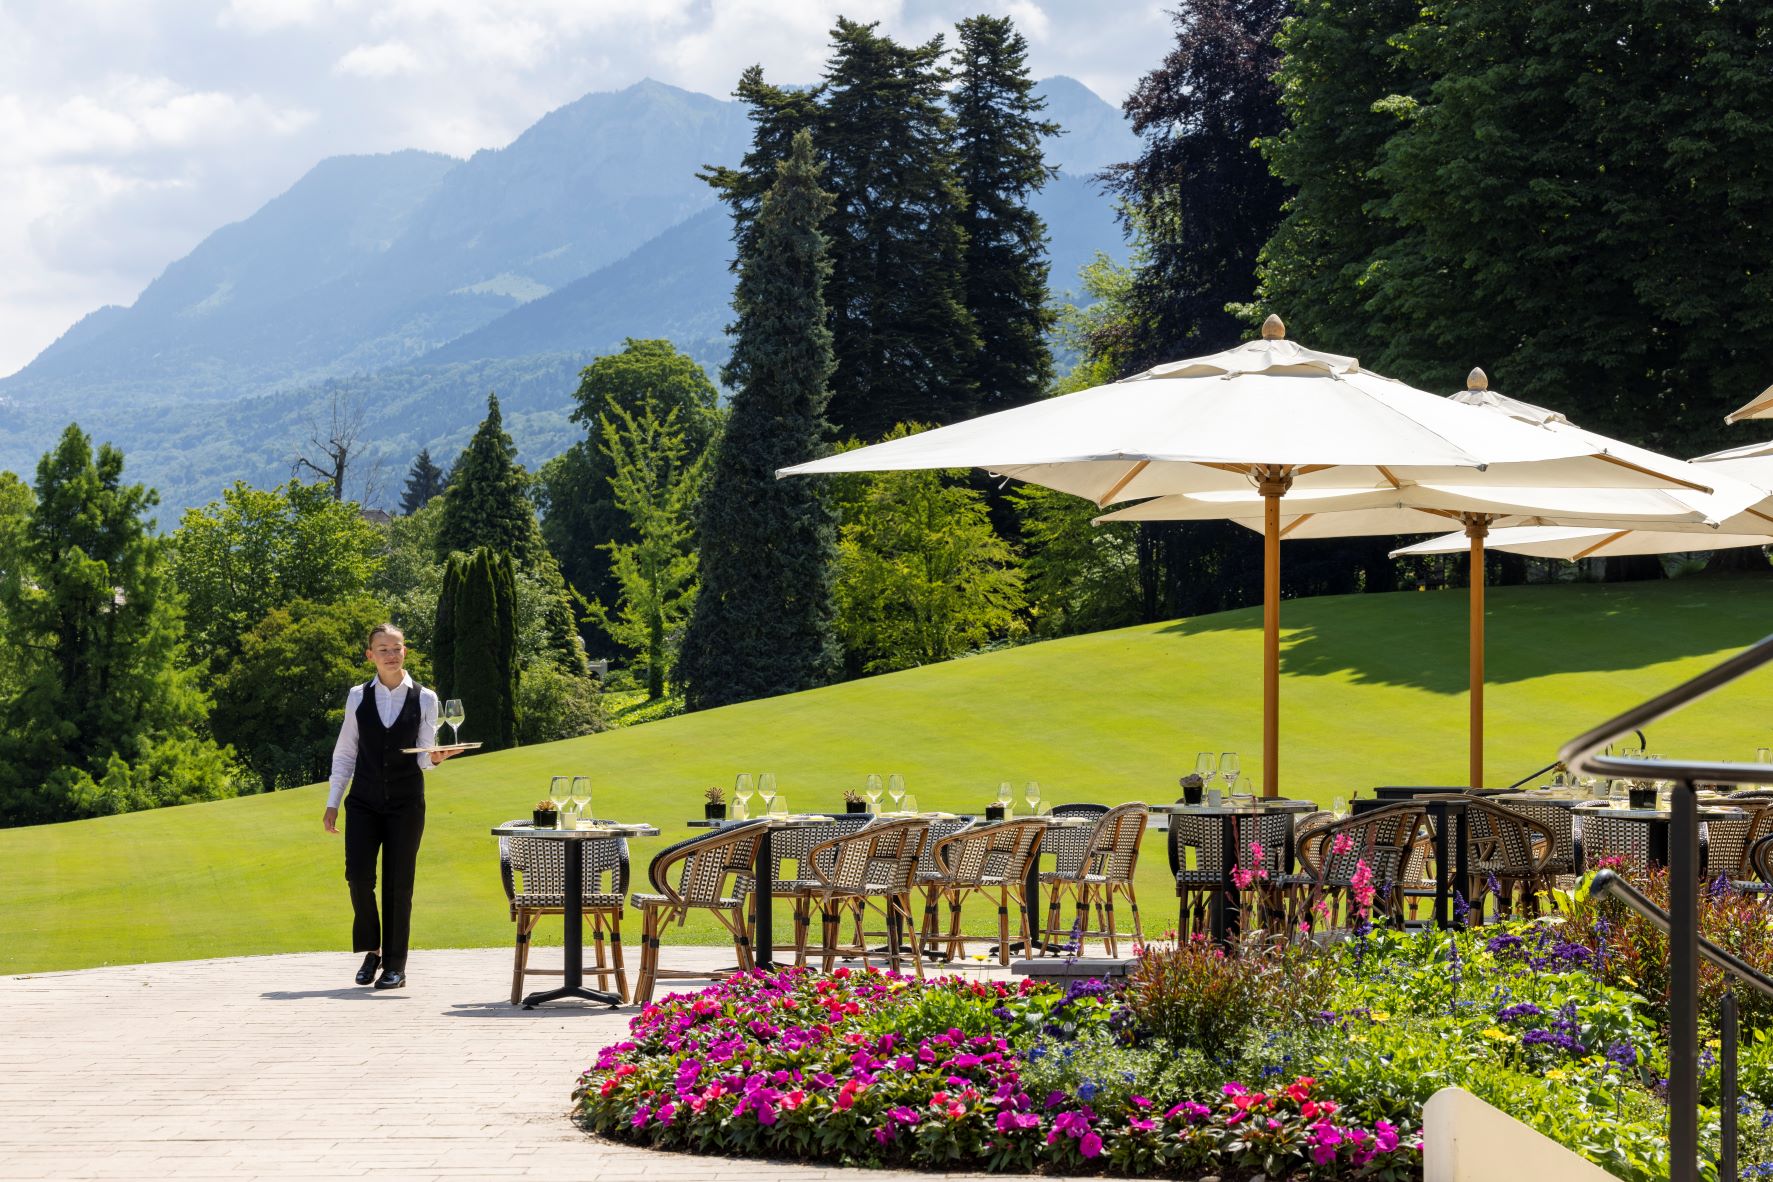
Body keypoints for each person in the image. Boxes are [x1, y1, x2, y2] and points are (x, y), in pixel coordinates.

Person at [322, 623, 458, 990]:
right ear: (370, 655)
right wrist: (333, 802)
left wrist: (439, 758)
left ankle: (395, 965)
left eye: (396, 648)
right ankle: (373, 949)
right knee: (359, 879)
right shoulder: (357, 696)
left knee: (399, 885)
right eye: (382, 649)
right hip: (364, 802)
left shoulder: (425, 697)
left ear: (405, 652)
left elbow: (424, 757)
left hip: (405, 803)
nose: (390, 654)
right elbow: (346, 751)